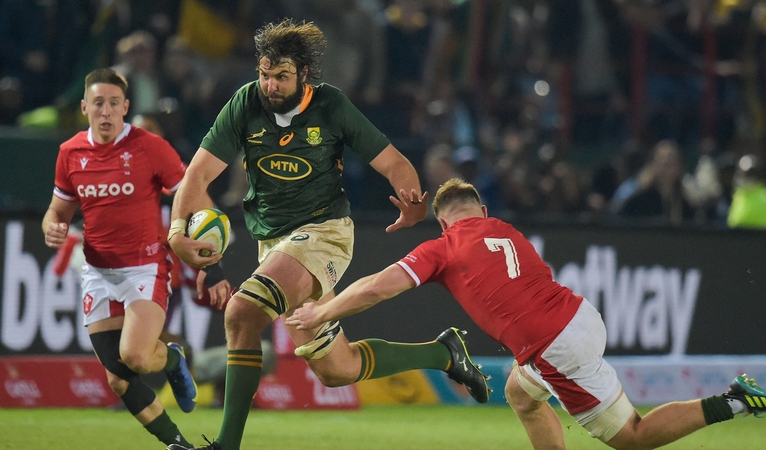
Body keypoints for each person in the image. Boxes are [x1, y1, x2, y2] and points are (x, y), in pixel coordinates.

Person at [165, 19, 489, 450]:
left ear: (304, 74)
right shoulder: (245, 102)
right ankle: (443, 353)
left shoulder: (331, 106)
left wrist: (413, 203)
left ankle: (226, 446)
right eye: (264, 74)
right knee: (338, 369)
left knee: (241, 313)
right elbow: (198, 174)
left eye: (281, 76)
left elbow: (393, 162)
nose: (270, 85)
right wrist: (176, 231)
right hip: (274, 244)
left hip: (324, 234)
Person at [287, 178, 766, 450]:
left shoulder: (443, 247)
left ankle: (735, 401)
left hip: (555, 346)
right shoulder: (506, 230)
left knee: (633, 439)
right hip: (579, 317)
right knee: (520, 393)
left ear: (444, 223)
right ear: (483, 212)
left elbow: (377, 287)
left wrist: (321, 310)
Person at [41, 68, 209, 449]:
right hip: (98, 273)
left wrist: (204, 243)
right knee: (118, 379)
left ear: (126, 107)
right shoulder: (70, 153)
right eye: (98, 103)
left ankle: (172, 360)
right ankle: (179, 444)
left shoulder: (149, 147)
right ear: (84, 107)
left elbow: (191, 191)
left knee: (135, 356)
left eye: (114, 103)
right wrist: (52, 227)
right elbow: (57, 212)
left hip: (145, 267)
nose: (106, 111)